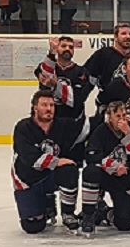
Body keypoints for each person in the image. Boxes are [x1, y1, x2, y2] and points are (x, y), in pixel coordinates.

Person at [35, 37, 93, 232]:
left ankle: (68, 211)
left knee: (72, 169)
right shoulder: (47, 65)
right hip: (51, 129)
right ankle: (48, 206)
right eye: (63, 46)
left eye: (70, 46)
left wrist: (55, 85)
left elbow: (75, 101)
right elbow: (43, 79)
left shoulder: (81, 73)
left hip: (74, 130)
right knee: (47, 164)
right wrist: (50, 55)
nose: (67, 49)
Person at [12, 90, 86, 234]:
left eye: (51, 105)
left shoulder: (62, 125)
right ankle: (47, 202)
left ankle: (68, 213)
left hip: (51, 176)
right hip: (28, 178)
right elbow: (29, 158)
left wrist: (111, 117)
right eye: (44, 105)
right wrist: (57, 161)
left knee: (69, 169)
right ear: (35, 108)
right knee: (33, 226)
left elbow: (86, 127)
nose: (48, 109)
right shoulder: (23, 127)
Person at [80, 101, 130, 237]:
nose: (122, 119)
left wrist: (128, 134)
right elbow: (91, 155)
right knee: (90, 172)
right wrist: (113, 166)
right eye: (118, 116)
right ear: (110, 117)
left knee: (125, 224)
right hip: (105, 176)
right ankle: (88, 215)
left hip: (125, 179)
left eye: (124, 115)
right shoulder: (101, 130)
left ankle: (103, 211)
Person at [84, 23, 130, 93]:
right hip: (109, 100)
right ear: (115, 37)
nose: (128, 37)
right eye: (123, 34)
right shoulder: (102, 54)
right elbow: (90, 77)